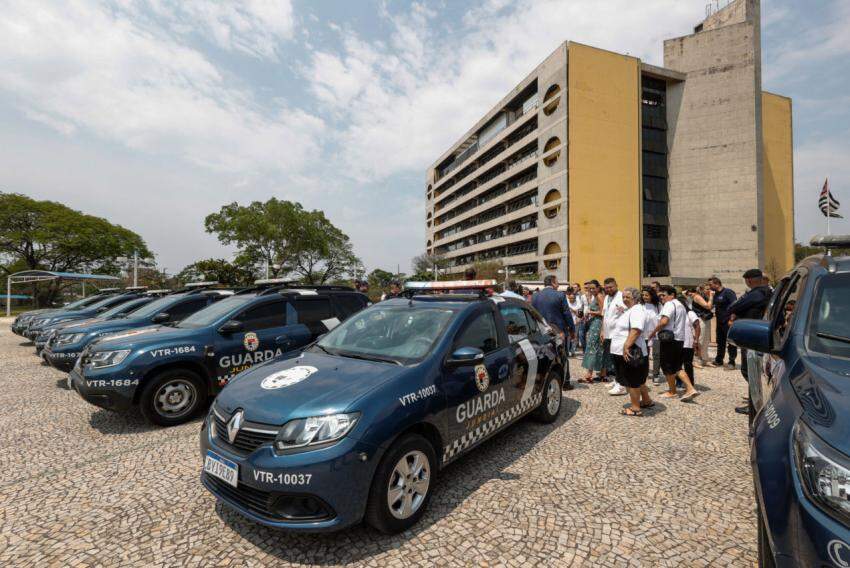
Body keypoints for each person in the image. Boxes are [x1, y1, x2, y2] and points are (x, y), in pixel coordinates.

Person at [728, 268, 773, 415]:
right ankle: (758, 400)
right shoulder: (767, 291)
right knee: (754, 371)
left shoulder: (756, 294)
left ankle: (756, 404)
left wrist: (736, 311)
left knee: (749, 371)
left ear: (749, 280)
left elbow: (733, 307)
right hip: (760, 334)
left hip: (752, 336)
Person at [648, 285, 699, 402]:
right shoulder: (680, 305)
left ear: (672, 295)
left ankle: (672, 391)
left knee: (667, 366)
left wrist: (653, 332)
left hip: (669, 339)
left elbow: (664, 321)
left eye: (663, 295)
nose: (661, 298)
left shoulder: (669, 304)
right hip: (679, 339)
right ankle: (690, 388)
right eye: (660, 295)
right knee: (676, 366)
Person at [609, 287, 653, 416]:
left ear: (635, 298)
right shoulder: (632, 310)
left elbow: (636, 329)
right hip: (624, 350)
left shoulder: (637, 310)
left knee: (632, 380)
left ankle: (635, 408)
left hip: (630, 351)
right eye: (623, 296)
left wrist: (626, 346)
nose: (624, 299)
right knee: (638, 379)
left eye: (627, 296)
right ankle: (646, 400)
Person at [531, 275, 576, 389]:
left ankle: (543, 382)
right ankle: (565, 382)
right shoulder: (560, 295)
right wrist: (572, 330)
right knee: (562, 355)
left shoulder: (535, 296)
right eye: (557, 282)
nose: (559, 285)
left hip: (541, 332)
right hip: (558, 331)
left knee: (544, 356)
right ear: (552, 283)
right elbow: (567, 314)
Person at [601, 277, 626, 395]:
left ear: (616, 285)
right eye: (606, 288)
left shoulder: (622, 296)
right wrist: (602, 331)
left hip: (619, 334)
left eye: (611, 287)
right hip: (608, 333)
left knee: (619, 359)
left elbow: (627, 312)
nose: (609, 289)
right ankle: (617, 380)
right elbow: (604, 315)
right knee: (613, 359)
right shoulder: (606, 297)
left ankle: (622, 384)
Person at [707, 277, 737, 369]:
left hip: (728, 322)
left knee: (731, 342)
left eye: (710, 284)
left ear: (717, 284)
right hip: (719, 322)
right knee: (720, 342)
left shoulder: (728, 292)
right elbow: (711, 307)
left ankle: (732, 361)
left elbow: (735, 306)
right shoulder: (715, 294)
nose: (709, 286)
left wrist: (732, 320)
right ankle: (719, 360)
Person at [580, 280, 606, 383]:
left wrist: (590, 312)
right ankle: (602, 373)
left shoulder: (599, 296)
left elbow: (604, 312)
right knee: (599, 347)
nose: (591, 290)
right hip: (595, 323)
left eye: (593, 288)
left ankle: (589, 374)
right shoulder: (596, 296)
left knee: (592, 346)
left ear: (598, 288)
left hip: (598, 324)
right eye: (589, 288)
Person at [679, 295, 701, 388]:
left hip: (688, 342)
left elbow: (697, 326)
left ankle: (690, 383)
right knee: (677, 364)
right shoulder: (677, 314)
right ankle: (679, 382)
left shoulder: (690, 313)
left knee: (687, 364)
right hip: (677, 342)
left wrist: (696, 340)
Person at [687, 284, 713, 368]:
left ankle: (705, 359)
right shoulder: (697, 297)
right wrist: (711, 296)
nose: (709, 290)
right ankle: (696, 360)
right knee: (700, 339)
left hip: (706, 319)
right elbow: (708, 306)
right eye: (707, 289)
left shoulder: (705, 296)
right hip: (701, 319)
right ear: (701, 289)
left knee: (706, 340)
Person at [641, 287, 662, 384]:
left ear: (652, 295)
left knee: (656, 355)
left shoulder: (658, 306)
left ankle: (656, 375)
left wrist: (656, 331)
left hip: (656, 334)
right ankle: (644, 374)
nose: (644, 297)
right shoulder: (640, 305)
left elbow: (661, 319)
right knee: (645, 355)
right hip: (643, 334)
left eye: (646, 295)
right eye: (643, 295)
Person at [566, 290, 584, 357]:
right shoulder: (566, 303)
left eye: (573, 298)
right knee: (568, 337)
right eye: (570, 298)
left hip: (576, 322)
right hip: (568, 322)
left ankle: (572, 351)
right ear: (568, 298)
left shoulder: (578, 303)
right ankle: (567, 351)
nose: (572, 299)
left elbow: (580, 314)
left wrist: (572, 310)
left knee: (575, 337)